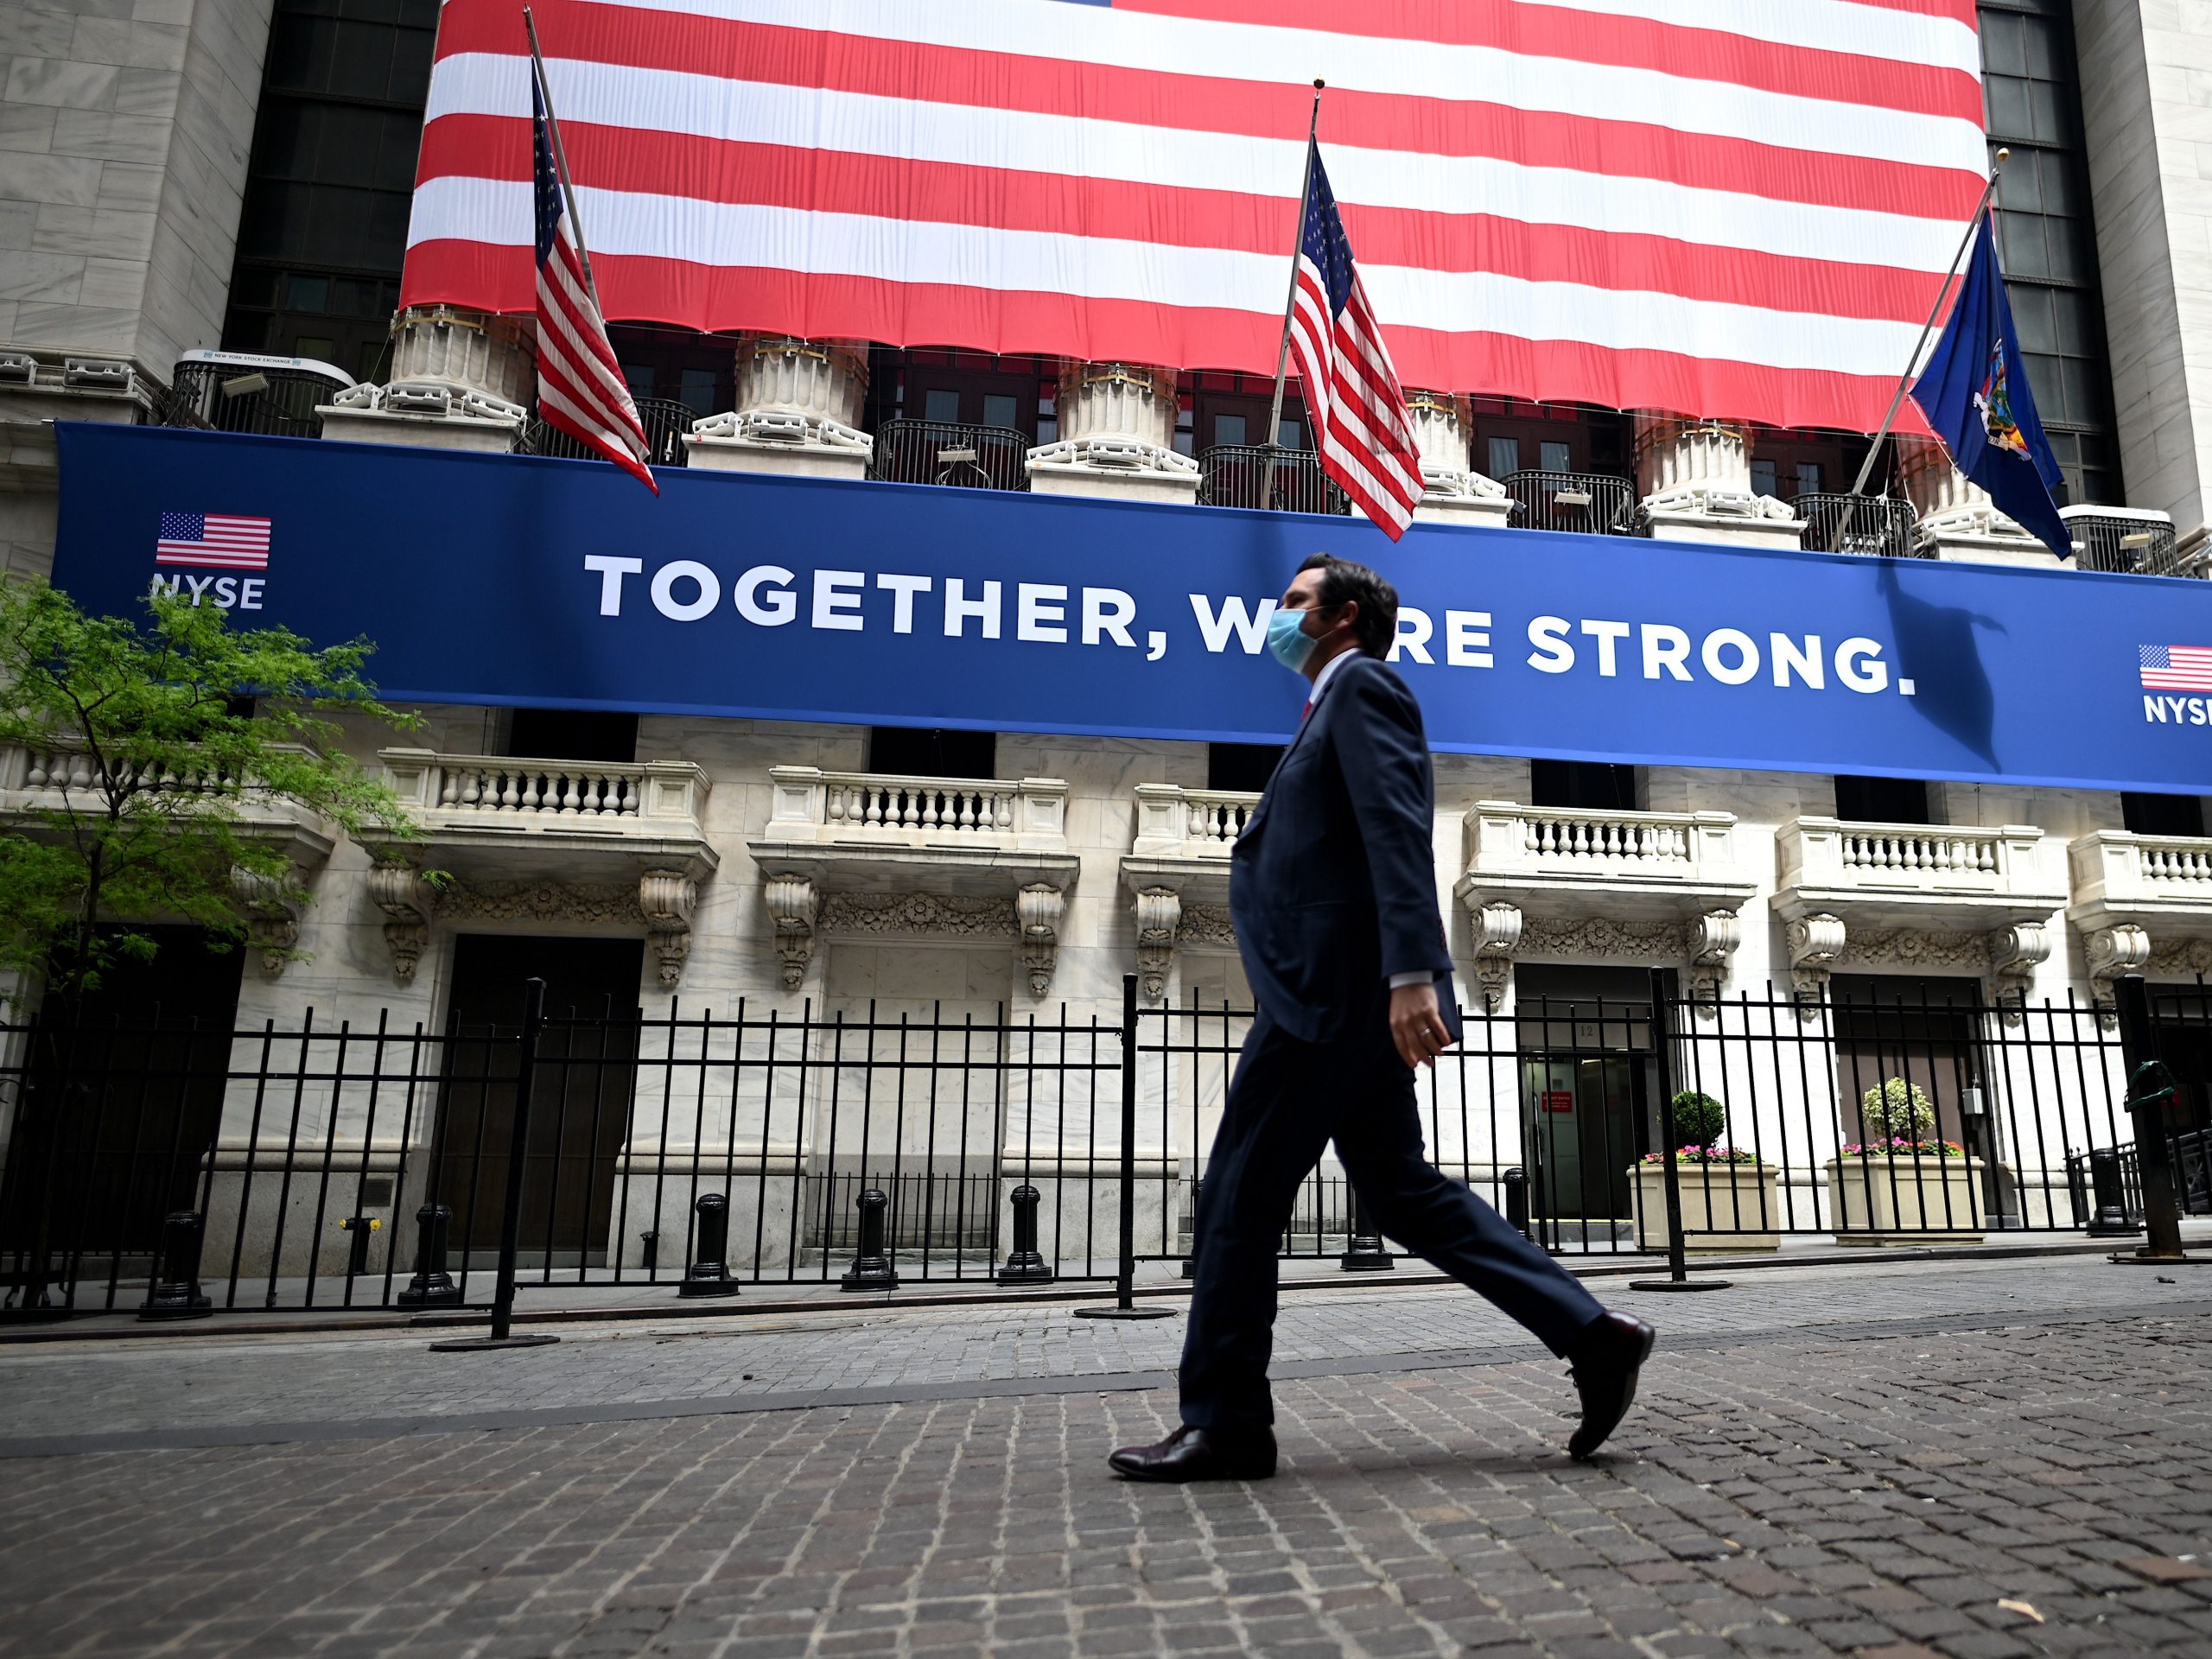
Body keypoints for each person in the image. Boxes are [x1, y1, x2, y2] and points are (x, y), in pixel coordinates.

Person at [1109, 554, 1655, 1483]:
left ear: (1343, 616)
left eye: (1293, 605)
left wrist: (1414, 973)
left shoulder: (1364, 688)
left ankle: (1228, 1422)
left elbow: (1397, 830)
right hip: (1340, 990)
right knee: (1400, 1190)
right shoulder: (1329, 703)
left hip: (1333, 995)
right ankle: (1593, 1335)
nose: (1277, 619)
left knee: (1237, 1203)